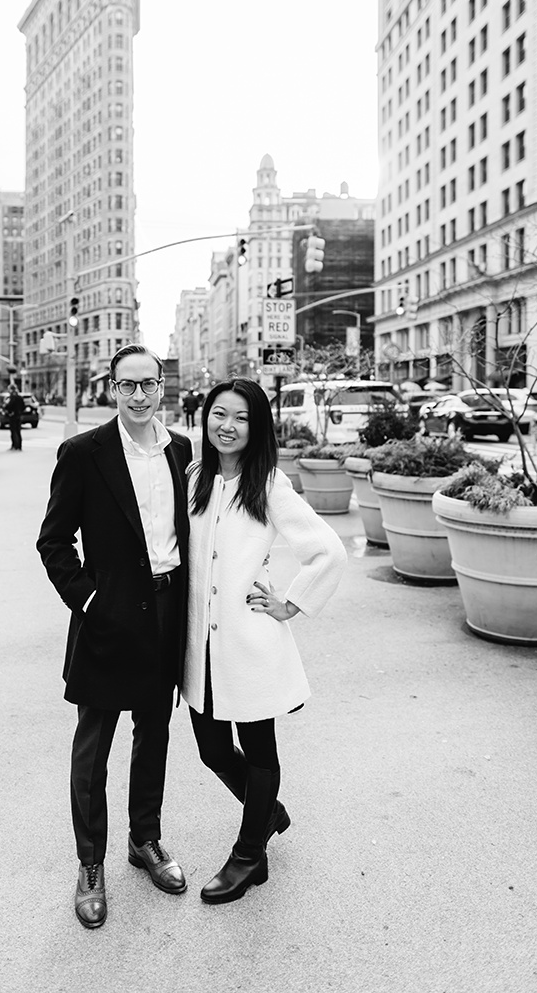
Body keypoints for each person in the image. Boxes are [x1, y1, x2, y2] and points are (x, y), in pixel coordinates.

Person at [36, 344, 193, 930]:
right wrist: (90, 600)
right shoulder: (84, 453)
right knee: (93, 746)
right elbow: (53, 541)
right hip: (106, 620)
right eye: (127, 386)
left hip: (164, 612)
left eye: (148, 384)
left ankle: (144, 840)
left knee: (154, 734)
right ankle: (90, 864)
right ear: (111, 388)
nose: (138, 395)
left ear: (160, 388)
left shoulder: (182, 450)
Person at [181, 378, 347, 905]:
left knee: (257, 750)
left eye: (241, 418)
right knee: (211, 750)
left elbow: (327, 551)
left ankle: (250, 854)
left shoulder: (269, 484)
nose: (227, 426)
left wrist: (290, 604)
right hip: (197, 646)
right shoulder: (195, 477)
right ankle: (268, 810)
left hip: (248, 642)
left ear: (257, 428)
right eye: (218, 415)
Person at [6, 385, 25, 450]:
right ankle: (19, 445)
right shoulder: (20, 397)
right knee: (18, 431)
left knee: (14, 431)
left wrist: (9, 411)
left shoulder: (11, 398)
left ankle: (15, 445)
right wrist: (20, 412)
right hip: (19, 416)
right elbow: (23, 406)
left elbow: (9, 406)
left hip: (13, 416)